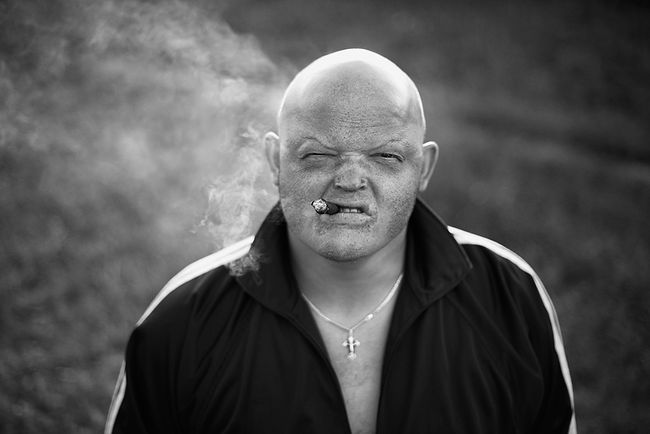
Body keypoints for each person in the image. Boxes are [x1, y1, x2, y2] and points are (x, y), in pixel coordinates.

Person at [105, 48, 576, 434]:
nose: (350, 181)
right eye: (317, 155)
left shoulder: (508, 296)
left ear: (424, 168)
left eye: (386, 156)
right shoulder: (184, 321)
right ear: (276, 161)